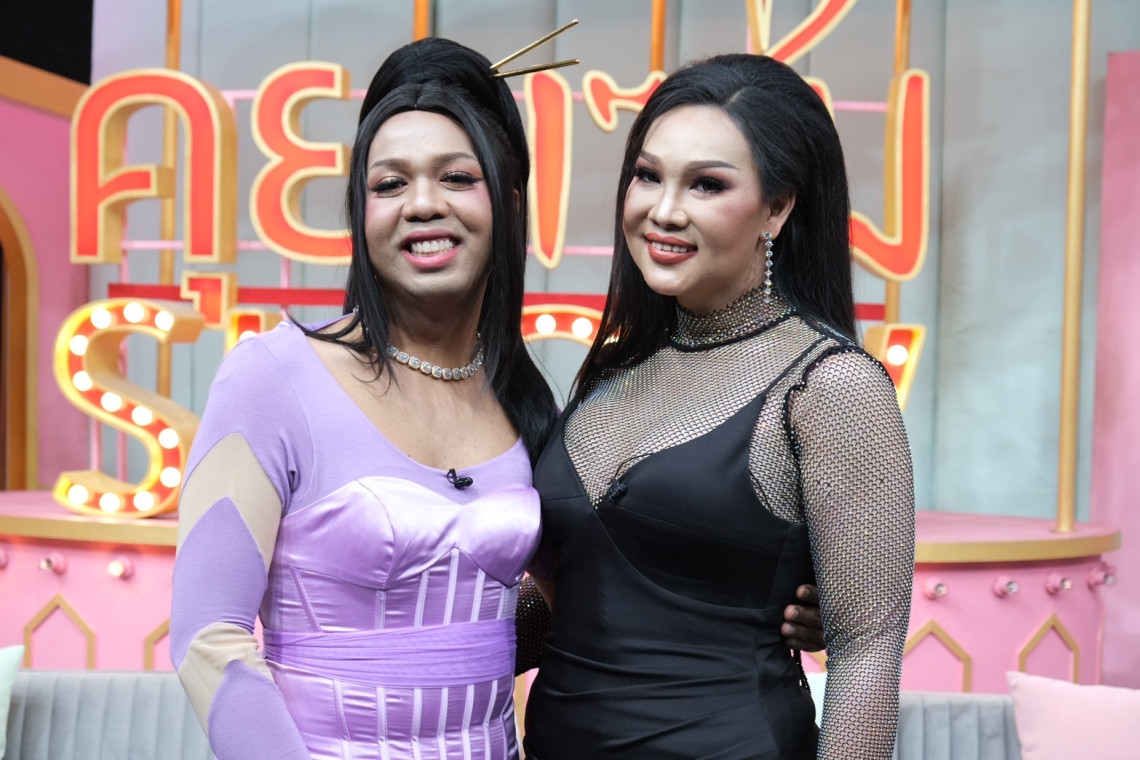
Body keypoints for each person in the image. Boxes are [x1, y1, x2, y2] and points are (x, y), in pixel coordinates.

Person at [170, 35, 826, 760]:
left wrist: (756, 604)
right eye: (389, 185)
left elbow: (572, 606)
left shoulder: (523, 401)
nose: (423, 204)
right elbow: (208, 640)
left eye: (457, 177)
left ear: (509, 202)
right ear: (360, 212)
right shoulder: (273, 377)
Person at [522, 53, 915, 759]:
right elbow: (571, 600)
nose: (663, 211)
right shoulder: (614, 369)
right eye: (648, 175)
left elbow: (866, 655)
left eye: (707, 184)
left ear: (778, 207)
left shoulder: (831, 386)